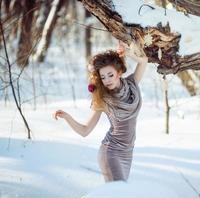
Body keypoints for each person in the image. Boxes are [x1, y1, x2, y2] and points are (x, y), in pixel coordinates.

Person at [53, 41, 148, 182]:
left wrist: (127, 53)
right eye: (103, 77)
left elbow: (144, 60)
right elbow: (85, 131)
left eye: (110, 75)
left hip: (128, 152)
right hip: (111, 152)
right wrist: (67, 117)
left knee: (118, 193)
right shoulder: (103, 99)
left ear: (119, 72)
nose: (107, 80)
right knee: (118, 194)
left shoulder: (132, 84)